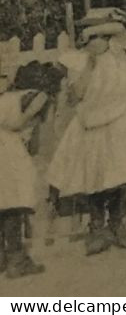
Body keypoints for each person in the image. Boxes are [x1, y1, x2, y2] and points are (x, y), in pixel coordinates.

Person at [48, 8, 126, 255]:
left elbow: (123, 29)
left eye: (103, 37)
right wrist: (89, 62)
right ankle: (97, 226)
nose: (98, 43)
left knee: (120, 173)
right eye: (92, 38)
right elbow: (77, 94)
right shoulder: (79, 61)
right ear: (85, 40)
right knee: (96, 174)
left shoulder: (120, 56)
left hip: (119, 120)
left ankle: (117, 223)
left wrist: (106, 34)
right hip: (91, 124)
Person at [0, 61, 62, 277]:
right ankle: (16, 259)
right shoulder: (23, 99)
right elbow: (20, 120)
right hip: (8, 153)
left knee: (4, 203)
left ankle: (4, 257)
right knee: (13, 205)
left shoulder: (15, 98)